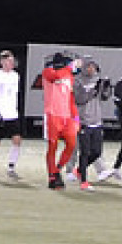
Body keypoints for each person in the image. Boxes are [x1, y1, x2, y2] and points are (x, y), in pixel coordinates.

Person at [73, 56, 116, 190]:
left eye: (93, 66)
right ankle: (84, 182)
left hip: (97, 120)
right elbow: (79, 99)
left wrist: (107, 88)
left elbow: (104, 97)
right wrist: (94, 90)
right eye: (88, 66)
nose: (91, 69)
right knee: (85, 152)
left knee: (96, 152)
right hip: (84, 120)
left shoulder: (97, 79)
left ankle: (80, 170)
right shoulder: (78, 81)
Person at [41, 51, 81, 190]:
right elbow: (56, 76)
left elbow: (71, 97)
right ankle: (52, 176)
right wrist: (70, 68)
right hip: (53, 115)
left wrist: (76, 118)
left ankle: (57, 169)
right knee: (52, 147)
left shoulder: (68, 75)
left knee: (71, 144)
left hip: (67, 116)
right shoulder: (47, 72)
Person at [0, 50, 24, 180]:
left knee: (17, 140)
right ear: (2, 62)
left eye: (13, 61)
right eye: (9, 61)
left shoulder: (16, 76)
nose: (12, 63)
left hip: (12, 114)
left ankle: (11, 167)